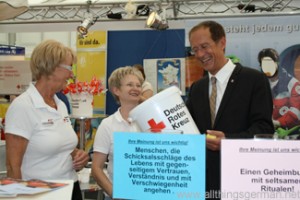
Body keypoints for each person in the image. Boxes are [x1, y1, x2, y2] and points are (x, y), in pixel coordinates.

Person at [186, 21, 274, 199]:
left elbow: (264, 129)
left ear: (222, 42)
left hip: (242, 179)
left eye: (205, 46)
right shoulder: (197, 88)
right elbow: (190, 131)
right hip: (203, 183)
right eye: (195, 50)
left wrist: (229, 140)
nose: (200, 54)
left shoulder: (254, 80)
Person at [5, 40, 89, 200]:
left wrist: (78, 154)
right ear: (51, 67)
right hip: (39, 192)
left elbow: (57, 146)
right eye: (70, 68)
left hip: (71, 186)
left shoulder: (60, 104)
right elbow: (12, 166)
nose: (72, 74)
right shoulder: (23, 107)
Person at [92, 66, 144, 200]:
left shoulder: (150, 121)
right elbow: (97, 168)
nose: (136, 88)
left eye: (138, 85)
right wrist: (114, 193)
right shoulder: (108, 125)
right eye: (130, 84)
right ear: (116, 90)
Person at [258, 48, 300, 129]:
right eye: (263, 64)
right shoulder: (259, 84)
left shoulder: (293, 84)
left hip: (289, 134)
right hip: (265, 132)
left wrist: (278, 123)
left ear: (277, 62)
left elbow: (297, 111)